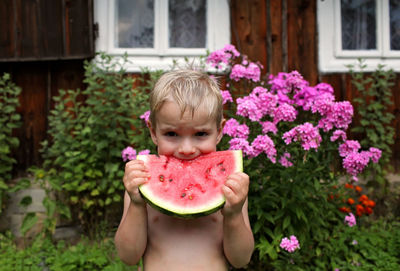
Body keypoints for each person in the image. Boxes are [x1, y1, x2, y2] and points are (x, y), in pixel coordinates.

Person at [115, 69, 254, 270]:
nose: (186, 149)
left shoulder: (230, 188)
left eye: (201, 134)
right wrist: (136, 204)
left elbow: (240, 259)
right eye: (171, 134)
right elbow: (128, 256)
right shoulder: (142, 185)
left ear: (219, 131)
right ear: (153, 132)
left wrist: (233, 215)